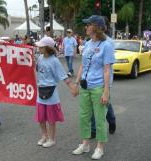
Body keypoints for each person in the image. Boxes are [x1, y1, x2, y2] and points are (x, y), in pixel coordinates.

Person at [73, 15, 115, 160]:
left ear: (96, 27)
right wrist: (76, 83)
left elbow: (107, 70)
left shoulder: (107, 46)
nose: (85, 27)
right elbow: (83, 65)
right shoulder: (87, 43)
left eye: (88, 25)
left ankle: (100, 147)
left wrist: (106, 92)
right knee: (84, 116)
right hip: (85, 86)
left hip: (98, 87)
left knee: (99, 119)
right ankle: (85, 144)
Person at [35, 37, 77, 148]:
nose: (38, 48)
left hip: (51, 92)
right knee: (41, 117)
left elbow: (63, 76)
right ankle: (44, 136)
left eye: (41, 46)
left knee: (51, 119)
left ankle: (51, 139)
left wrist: (72, 87)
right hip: (40, 90)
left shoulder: (54, 61)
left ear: (47, 48)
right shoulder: (39, 58)